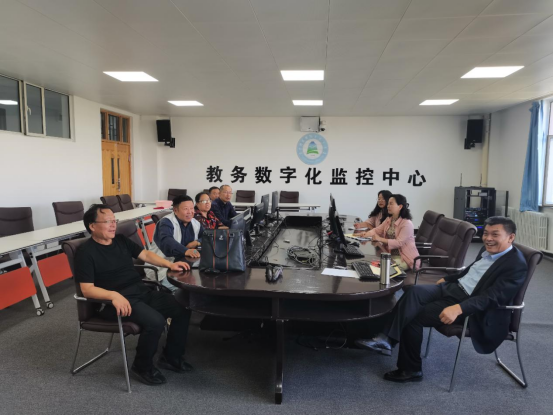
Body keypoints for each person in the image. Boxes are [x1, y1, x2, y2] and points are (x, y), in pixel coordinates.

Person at [355, 216, 527, 384]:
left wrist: (459, 308)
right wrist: (449, 279)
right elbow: (471, 270)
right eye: (486, 233)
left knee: (413, 316)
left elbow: (492, 297)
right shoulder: (487, 250)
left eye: (495, 234)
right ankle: (386, 339)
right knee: (414, 291)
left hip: (470, 305)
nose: (488, 239)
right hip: (453, 288)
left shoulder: (515, 265)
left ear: (510, 237)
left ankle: (410, 369)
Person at [74, 204, 194, 386]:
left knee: (182, 307)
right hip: (115, 303)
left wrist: (169, 265)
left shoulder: (120, 240)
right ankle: (142, 366)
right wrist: (113, 296)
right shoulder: (86, 253)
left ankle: (171, 357)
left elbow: (145, 255)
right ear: (92, 226)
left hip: (140, 292)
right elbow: (87, 289)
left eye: (114, 221)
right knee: (155, 322)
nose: (113, 225)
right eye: (108, 222)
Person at [146, 195, 203, 291]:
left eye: (192, 208)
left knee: (201, 282)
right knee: (189, 289)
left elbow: (205, 236)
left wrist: (197, 242)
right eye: (186, 209)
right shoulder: (166, 223)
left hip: (185, 266)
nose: (190, 212)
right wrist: (185, 251)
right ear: (175, 210)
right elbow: (167, 241)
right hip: (164, 268)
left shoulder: (195, 223)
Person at [361, 194, 419, 270]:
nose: (388, 206)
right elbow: (377, 230)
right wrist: (366, 234)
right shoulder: (389, 219)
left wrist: (380, 239)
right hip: (390, 254)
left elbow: (399, 243)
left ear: (400, 206)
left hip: (405, 258)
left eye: (391, 204)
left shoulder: (407, 223)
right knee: (372, 262)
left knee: (381, 267)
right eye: (388, 203)